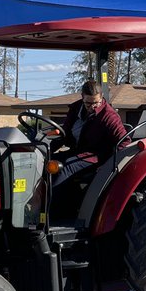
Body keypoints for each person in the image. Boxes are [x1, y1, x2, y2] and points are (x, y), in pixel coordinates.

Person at [53, 80, 129, 212]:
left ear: (101, 97)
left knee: (66, 167)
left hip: (95, 156)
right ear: (82, 97)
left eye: (96, 103)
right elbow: (65, 134)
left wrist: (109, 165)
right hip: (77, 150)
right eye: (88, 103)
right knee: (46, 161)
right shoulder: (75, 109)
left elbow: (124, 142)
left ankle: (52, 210)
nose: (92, 107)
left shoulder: (108, 116)